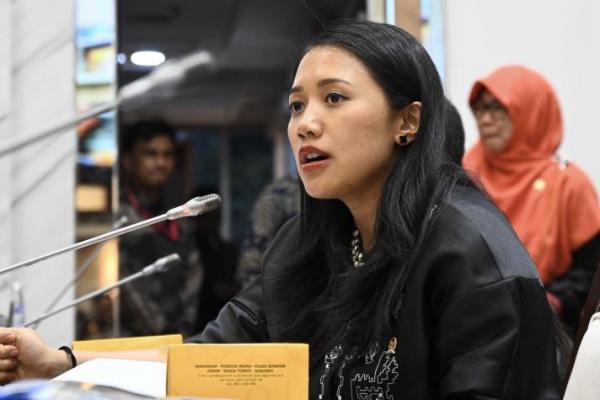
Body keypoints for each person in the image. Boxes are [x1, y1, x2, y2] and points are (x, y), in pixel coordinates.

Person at [0, 20, 561, 398]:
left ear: (407, 121)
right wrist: (63, 362)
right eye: (296, 105)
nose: (305, 124)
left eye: (334, 98)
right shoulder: (307, 242)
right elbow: (213, 356)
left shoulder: (471, 255)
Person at [463, 65, 600, 332]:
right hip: (470, 323)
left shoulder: (568, 184)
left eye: (497, 108)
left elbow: (590, 272)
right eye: (479, 108)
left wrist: (552, 300)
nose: (485, 119)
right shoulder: (464, 172)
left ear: (532, 111)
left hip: (547, 331)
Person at [118, 120, 202, 337]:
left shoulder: (181, 219)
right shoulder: (117, 219)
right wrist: (161, 330)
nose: (160, 162)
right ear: (128, 161)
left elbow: (193, 278)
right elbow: (123, 285)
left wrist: (180, 334)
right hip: (125, 342)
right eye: (150, 154)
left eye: (167, 155)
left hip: (175, 341)